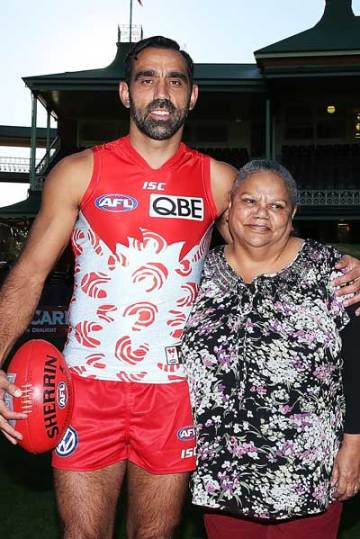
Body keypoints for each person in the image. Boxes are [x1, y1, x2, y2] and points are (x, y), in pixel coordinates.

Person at [0, 38, 358, 539]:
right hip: (86, 386)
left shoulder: (219, 182)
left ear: (193, 98)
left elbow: (271, 244)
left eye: (176, 81)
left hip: (172, 391)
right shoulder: (79, 172)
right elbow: (29, 273)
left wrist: (342, 264)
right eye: (147, 79)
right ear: (126, 93)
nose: (161, 91)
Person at [182, 160, 360, 539]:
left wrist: (354, 445)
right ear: (229, 208)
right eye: (249, 201)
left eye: (276, 205)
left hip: (308, 471)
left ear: (292, 215)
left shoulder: (334, 273)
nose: (261, 213)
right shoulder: (195, 275)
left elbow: (357, 366)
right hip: (222, 473)